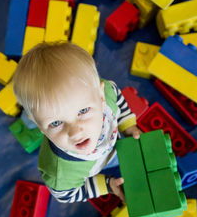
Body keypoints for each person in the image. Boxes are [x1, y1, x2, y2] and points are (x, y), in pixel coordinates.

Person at [13, 41, 142, 203]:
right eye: (55, 123)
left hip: (113, 144)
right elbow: (66, 195)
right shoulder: (60, 171)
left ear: (100, 97)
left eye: (82, 111)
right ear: (41, 128)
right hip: (95, 167)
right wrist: (107, 185)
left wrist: (128, 126)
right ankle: (29, 117)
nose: (75, 132)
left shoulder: (107, 94)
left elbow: (116, 96)